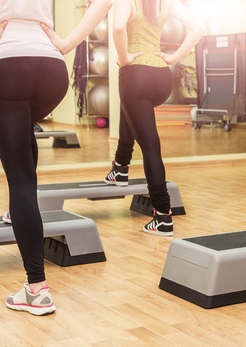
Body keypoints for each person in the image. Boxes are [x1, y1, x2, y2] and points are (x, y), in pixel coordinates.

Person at [0, 0, 112, 315]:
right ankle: (17, 211)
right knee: (22, 135)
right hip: (51, 69)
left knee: (20, 179)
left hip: (6, 65)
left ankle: (36, 290)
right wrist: (67, 43)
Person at [93, 0, 204, 236]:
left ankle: (163, 216)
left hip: (136, 75)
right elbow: (199, 28)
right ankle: (120, 169)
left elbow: (118, 28)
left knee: (150, 145)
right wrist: (174, 58)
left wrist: (123, 58)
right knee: (132, 108)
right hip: (162, 77)